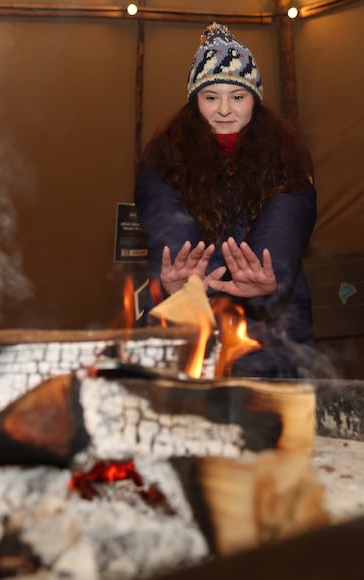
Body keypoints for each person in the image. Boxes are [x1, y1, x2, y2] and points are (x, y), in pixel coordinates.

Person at [134, 22, 318, 378]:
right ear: (194, 101)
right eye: (210, 96)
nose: (224, 110)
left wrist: (269, 282)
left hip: (271, 340)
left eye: (237, 96)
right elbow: (167, 228)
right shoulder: (163, 159)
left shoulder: (287, 159)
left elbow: (285, 223)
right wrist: (175, 286)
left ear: (255, 100)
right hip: (187, 335)